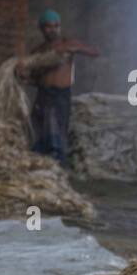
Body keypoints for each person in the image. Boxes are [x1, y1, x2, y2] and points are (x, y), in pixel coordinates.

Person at [17, 9, 100, 166]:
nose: (53, 29)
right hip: (43, 94)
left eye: (56, 26)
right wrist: (25, 78)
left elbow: (95, 52)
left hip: (60, 95)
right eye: (48, 26)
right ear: (42, 29)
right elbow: (36, 78)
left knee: (56, 130)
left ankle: (57, 166)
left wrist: (75, 49)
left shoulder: (67, 44)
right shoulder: (38, 52)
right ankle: (38, 164)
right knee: (37, 129)